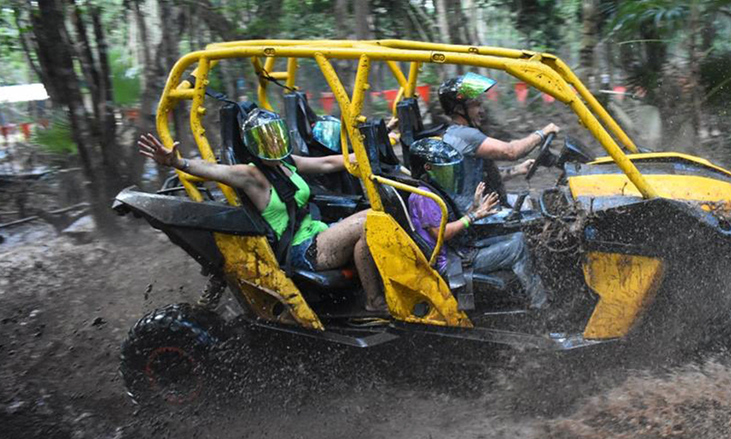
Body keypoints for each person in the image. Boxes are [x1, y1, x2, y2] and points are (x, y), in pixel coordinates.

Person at [138, 108, 387, 313]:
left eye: (275, 134)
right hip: (301, 250)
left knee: (379, 220)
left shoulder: (287, 163)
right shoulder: (251, 175)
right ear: (253, 144)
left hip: (320, 233)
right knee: (371, 220)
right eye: (264, 138)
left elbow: (329, 162)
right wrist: (177, 162)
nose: (273, 142)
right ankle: (374, 304)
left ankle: (378, 299)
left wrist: (373, 152)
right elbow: (213, 170)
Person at [406, 138, 548, 309]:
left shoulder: (431, 190)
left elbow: (448, 224)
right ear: (428, 168)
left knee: (519, 237)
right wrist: (473, 216)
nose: (451, 173)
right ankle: (541, 306)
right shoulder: (423, 196)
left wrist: (474, 208)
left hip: (459, 251)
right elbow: (440, 234)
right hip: (450, 263)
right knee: (517, 247)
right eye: (447, 169)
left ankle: (526, 296)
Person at [438, 72, 561, 209]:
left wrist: (517, 169)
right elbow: (511, 152)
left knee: (540, 203)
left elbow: (483, 178)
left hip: (480, 203)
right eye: (476, 105)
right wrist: (543, 133)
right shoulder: (466, 135)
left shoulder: (455, 134)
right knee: (545, 212)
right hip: (476, 212)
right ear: (460, 109)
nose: (481, 111)